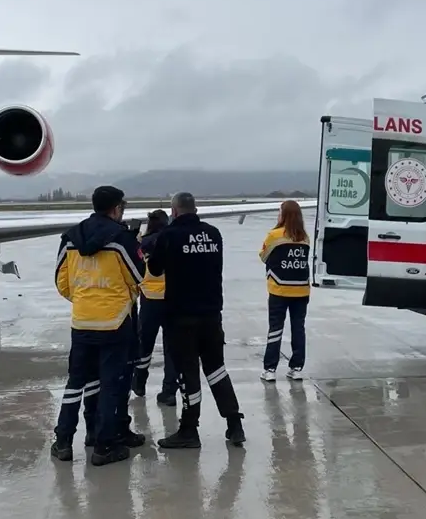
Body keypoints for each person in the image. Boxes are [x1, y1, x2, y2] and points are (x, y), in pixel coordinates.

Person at [51, 185, 146, 466]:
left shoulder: (70, 238)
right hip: (115, 322)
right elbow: (138, 276)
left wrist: (82, 299)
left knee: (75, 383)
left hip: (82, 321)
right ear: (116, 209)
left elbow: (61, 281)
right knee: (110, 385)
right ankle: (104, 445)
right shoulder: (121, 239)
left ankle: (63, 442)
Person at [148, 191, 245, 448]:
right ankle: (235, 423)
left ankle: (189, 429)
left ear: (175, 211)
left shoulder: (169, 236)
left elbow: (155, 269)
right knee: (217, 370)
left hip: (181, 317)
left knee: (188, 374)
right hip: (211, 314)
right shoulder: (213, 234)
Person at [259, 199, 312, 382]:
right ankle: (297, 367)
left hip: (279, 290)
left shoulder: (274, 235)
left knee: (275, 328)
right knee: (298, 328)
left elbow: (263, 256)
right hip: (301, 291)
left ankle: (270, 369)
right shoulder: (305, 237)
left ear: (284, 215)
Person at [133, 209, 180, 405]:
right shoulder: (173, 241)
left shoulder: (142, 243)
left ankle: (139, 382)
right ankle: (169, 391)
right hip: (171, 299)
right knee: (172, 347)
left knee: (144, 344)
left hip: (149, 299)